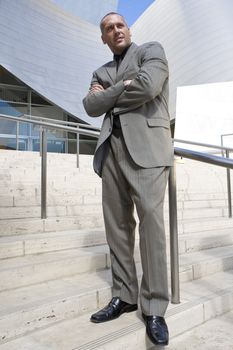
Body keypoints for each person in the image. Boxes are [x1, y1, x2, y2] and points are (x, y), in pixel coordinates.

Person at [83, 12, 173, 346]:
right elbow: (91, 105)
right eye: (108, 28)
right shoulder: (100, 71)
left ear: (129, 30)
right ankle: (125, 296)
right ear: (103, 38)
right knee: (118, 229)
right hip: (112, 153)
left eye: (120, 25)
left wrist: (111, 95)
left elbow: (149, 86)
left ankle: (154, 308)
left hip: (148, 151)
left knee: (151, 227)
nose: (115, 30)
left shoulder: (151, 50)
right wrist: (124, 85)